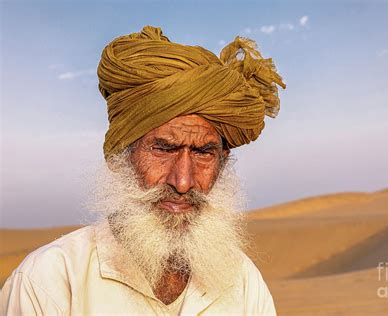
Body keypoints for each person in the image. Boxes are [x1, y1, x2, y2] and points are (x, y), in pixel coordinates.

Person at [1, 25, 285, 315]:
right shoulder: (50, 283)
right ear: (120, 155)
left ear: (223, 162)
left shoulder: (244, 285)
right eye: (163, 149)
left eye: (203, 153)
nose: (184, 181)